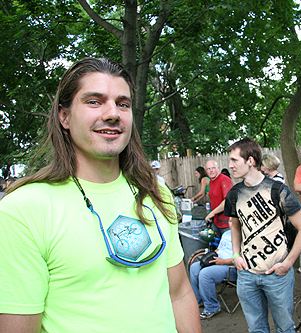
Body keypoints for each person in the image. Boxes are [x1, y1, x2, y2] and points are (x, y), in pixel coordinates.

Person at [0, 57, 201, 333]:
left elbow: (179, 295)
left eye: (123, 104)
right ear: (64, 116)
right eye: (94, 101)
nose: (112, 114)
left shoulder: (155, 192)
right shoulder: (23, 209)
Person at [224, 137, 301, 333]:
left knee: (285, 328)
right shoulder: (234, 194)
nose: (230, 166)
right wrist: (236, 255)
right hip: (246, 274)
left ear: (251, 161)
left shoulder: (278, 190)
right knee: (256, 329)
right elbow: (235, 225)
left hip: (277, 274)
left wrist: (288, 263)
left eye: (234, 160)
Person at [189, 221, 236, 320]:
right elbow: (219, 249)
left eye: (232, 221)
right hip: (217, 261)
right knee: (194, 267)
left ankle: (212, 307)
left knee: (205, 274)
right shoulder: (226, 234)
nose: (230, 223)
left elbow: (241, 259)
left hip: (230, 267)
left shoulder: (242, 236)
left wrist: (223, 262)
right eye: (230, 221)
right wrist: (209, 256)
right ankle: (199, 300)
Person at [204, 160, 232, 237]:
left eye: (213, 168)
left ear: (218, 168)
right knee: (216, 247)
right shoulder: (211, 182)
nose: (211, 170)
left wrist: (212, 213)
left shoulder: (224, 179)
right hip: (216, 222)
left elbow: (227, 201)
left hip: (226, 224)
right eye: (208, 169)